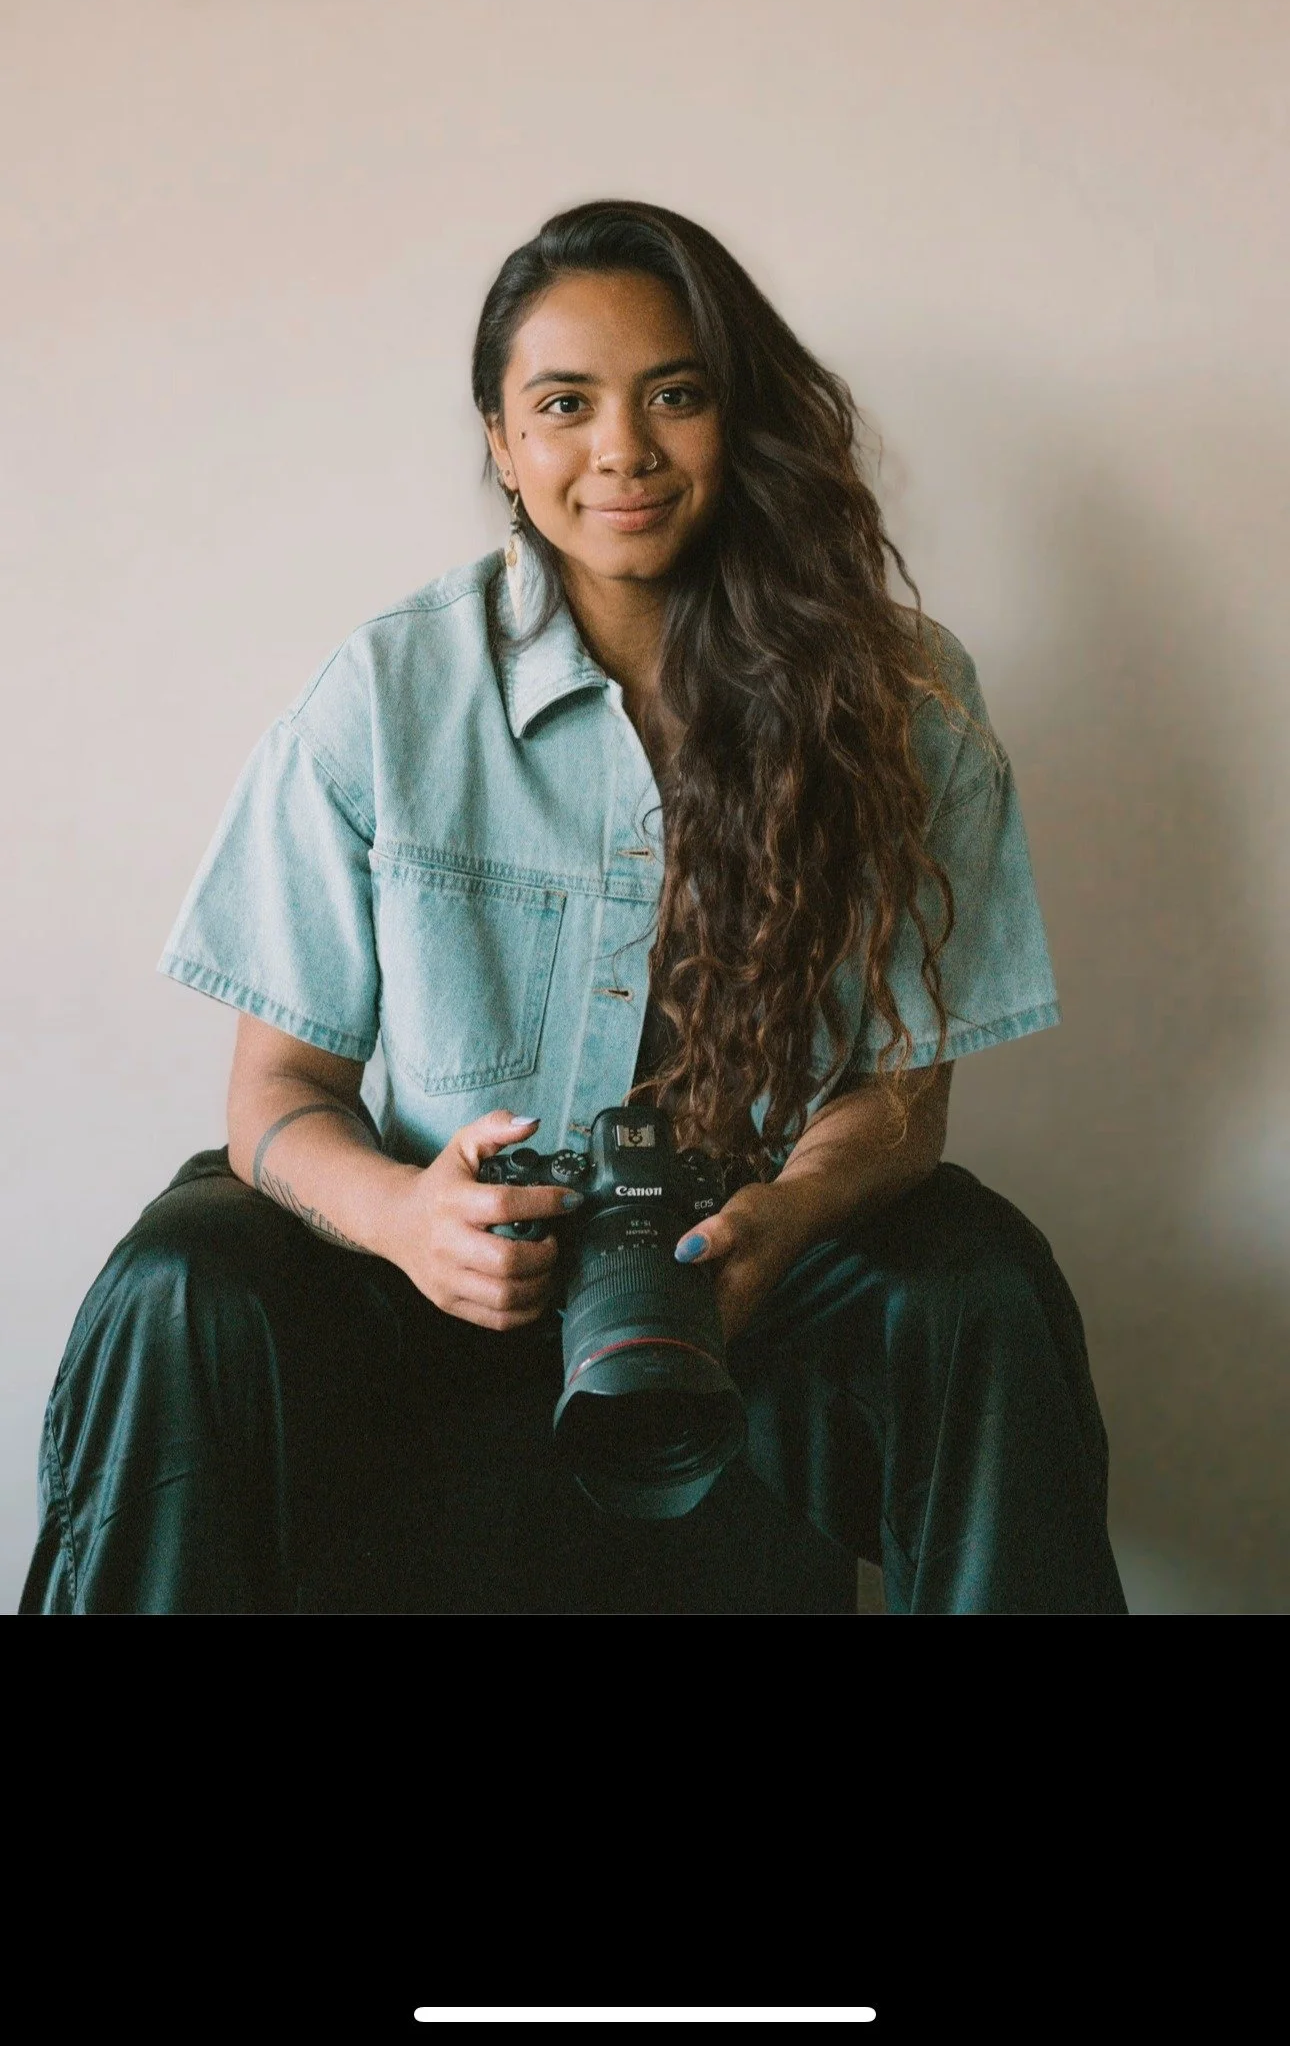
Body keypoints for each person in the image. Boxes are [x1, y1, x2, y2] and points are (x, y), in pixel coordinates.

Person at [21, 202, 1128, 1616]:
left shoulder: (900, 700)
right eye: (563, 404)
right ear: (500, 441)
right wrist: (406, 1219)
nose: (622, 449)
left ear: (740, 416)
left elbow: (903, 1101)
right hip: (429, 1273)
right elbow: (276, 1096)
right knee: (180, 1278)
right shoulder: (387, 692)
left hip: (743, 1275)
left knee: (983, 1286)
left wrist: (785, 1215)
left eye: (675, 393)